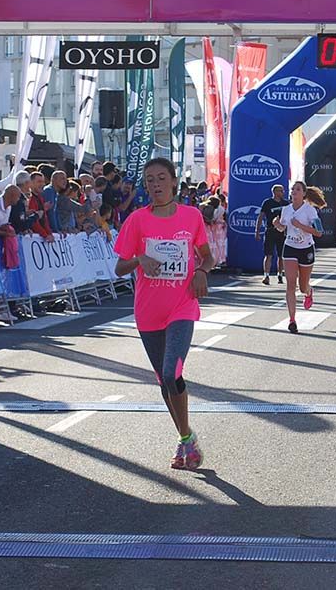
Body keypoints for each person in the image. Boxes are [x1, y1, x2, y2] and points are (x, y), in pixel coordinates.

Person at [114, 157, 215, 471]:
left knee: (172, 373)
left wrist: (200, 271)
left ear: (174, 182)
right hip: (148, 312)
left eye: (161, 178)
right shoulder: (137, 221)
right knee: (163, 380)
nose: (155, 185)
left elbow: (207, 257)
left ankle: (186, 440)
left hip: (182, 306)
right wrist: (139, 260)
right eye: (149, 180)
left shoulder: (192, 216)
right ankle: (186, 436)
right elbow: (119, 268)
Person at [273, 181, 326, 334]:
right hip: (290, 248)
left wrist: (300, 225)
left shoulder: (310, 211)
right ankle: (292, 320)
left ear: (303, 194)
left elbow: (319, 232)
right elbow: (282, 227)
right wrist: (277, 224)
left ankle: (309, 292)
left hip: (306, 249)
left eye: (297, 189)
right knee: (290, 285)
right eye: (292, 189)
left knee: (303, 286)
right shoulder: (286, 210)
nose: (294, 192)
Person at [255, 184, 289, 285]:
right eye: (280, 191)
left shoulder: (286, 203)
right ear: (275, 192)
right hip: (270, 230)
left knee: (281, 255)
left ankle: (280, 275)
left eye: (283, 191)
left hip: (282, 232)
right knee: (268, 255)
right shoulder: (267, 203)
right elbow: (261, 217)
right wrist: (257, 231)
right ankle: (266, 275)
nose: (283, 193)